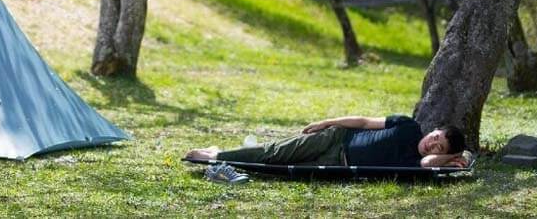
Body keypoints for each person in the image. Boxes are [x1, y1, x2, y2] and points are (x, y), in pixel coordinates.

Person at [185, 115, 469, 168]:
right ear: (431, 130)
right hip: (335, 139)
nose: (432, 145)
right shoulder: (409, 126)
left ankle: (218, 154)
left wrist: (453, 157)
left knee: (277, 165)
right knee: (275, 152)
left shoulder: (418, 162)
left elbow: (429, 162)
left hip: (335, 162)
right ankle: (216, 156)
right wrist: (328, 122)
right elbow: (364, 122)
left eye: (440, 146)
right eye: (435, 137)